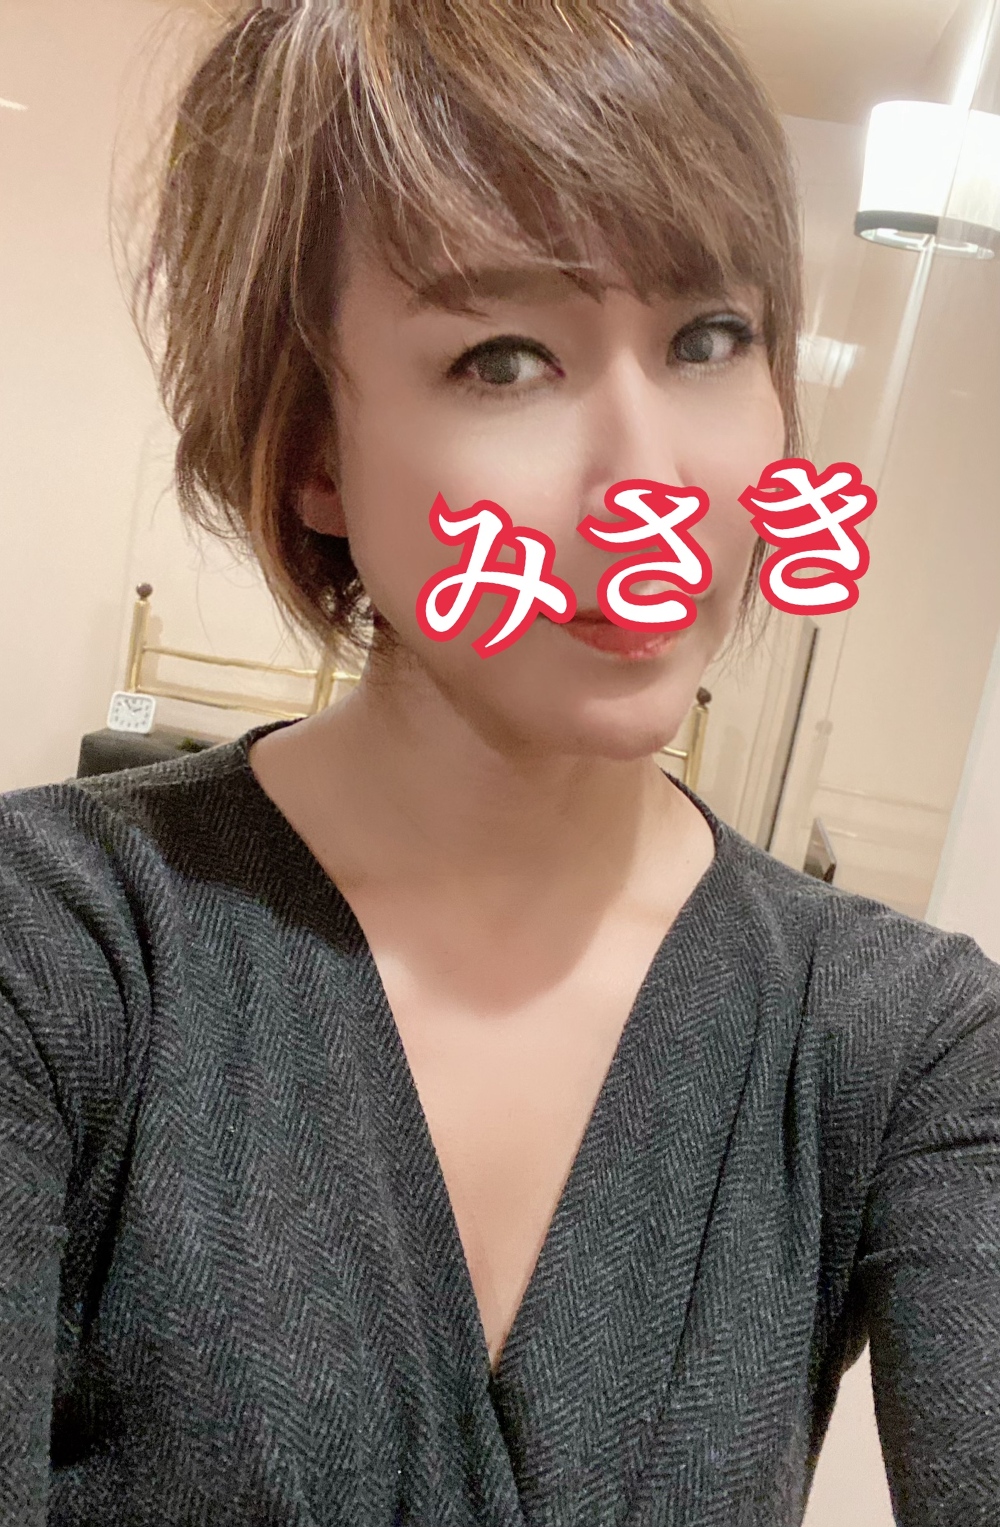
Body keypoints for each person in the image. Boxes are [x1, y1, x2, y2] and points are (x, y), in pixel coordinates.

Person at [2, 1, 998, 1523]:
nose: (652, 487)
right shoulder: (61, 950)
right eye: (505, 359)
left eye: (710, 338)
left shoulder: (896, 1036)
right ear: (313, 452)